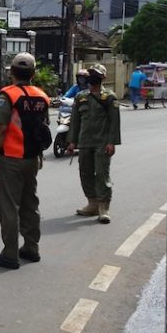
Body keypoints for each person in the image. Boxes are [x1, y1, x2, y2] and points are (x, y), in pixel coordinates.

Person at [0, 53, 51, 270]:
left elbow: (2, 127)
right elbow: (42, 130)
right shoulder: (42, 96)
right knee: (30, 203)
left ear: (11, 72)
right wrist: (40, 155)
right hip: (32, 159)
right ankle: (32, 248)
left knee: (8, 206)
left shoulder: (8, 95)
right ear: (33, 73)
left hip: (12, 158)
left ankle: (9, 254)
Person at [66, 63, 121, 224]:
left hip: (102, 143)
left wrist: (112, 142)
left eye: (96, 74)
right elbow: (75, 121)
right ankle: (92, 203)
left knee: (102, 174)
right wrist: (71, 141)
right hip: (84, 142)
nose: (92, 77)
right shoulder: (80, 97)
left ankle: (103, 208)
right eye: (90, 73)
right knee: (85, 173)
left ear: (103, 77)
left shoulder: (109, 97)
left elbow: (114, 122)